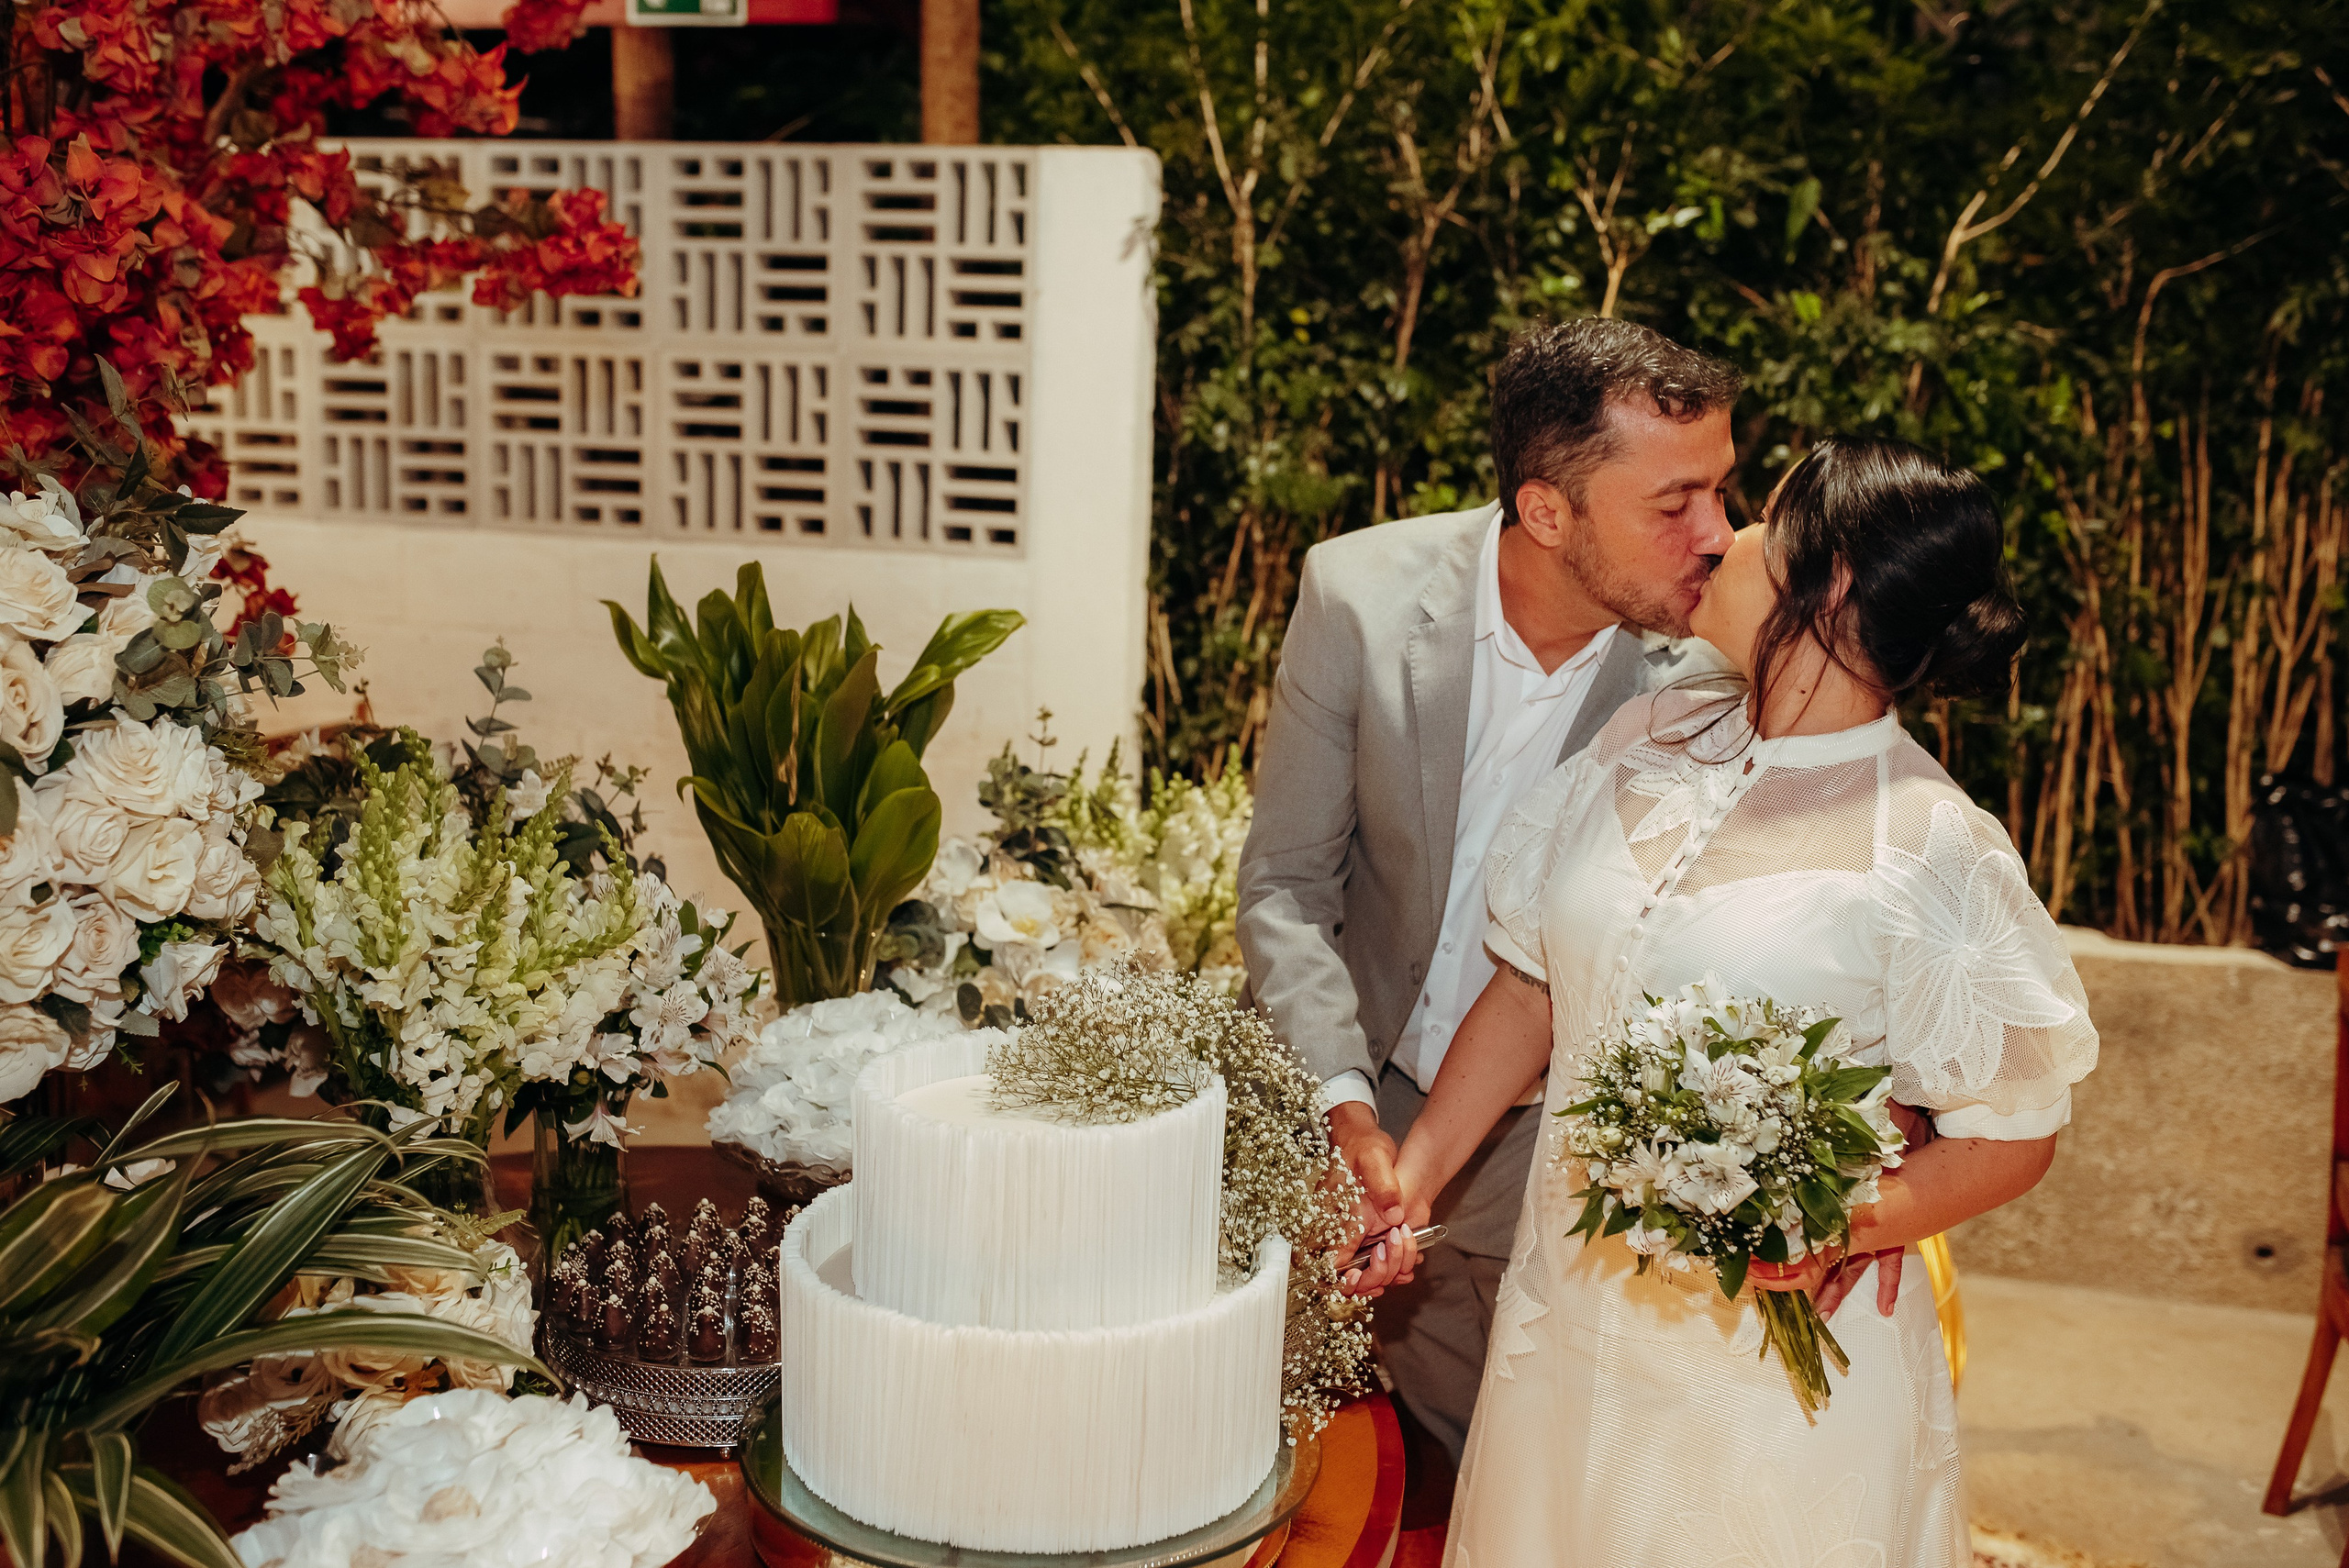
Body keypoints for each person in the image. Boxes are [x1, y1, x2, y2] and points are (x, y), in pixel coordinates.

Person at [1356, 438, 2101, 1565]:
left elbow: (2015, 1132)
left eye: (1757, 518)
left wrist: (1846, 1221)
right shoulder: (1648, 735)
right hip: (1563, 1318)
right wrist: (1408, 1185)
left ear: (1830, 581)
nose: (1719, 534)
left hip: (1760, 1380)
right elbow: (1531, 991)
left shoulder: (1931, 844)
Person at [1236, 318, 1741, 1462]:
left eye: (1721, 487)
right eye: (1675, 502)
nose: (1718, 534)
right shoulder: (1356, 594)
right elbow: (1284, 880)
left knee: (1527, 1461)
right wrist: (1341, 1105)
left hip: (1560, 1134)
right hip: (1350, 1086)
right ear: (1546, 510)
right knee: (1292, 1454)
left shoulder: (1713, 663)